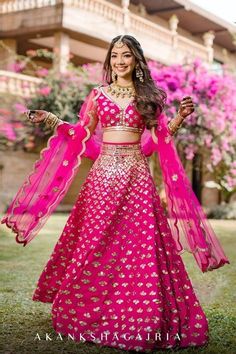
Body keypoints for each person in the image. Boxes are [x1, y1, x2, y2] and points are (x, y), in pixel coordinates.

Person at [1, 35, 229, 352]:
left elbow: (154, 142)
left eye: (127, 55)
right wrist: (53, 120)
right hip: (101, 180)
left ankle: (142, 315)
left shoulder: (149, 97)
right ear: (110, 60)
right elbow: (84, 136)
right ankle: (86, 310)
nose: (120, 61)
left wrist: (178, 118)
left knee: (141, 249)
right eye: (116, 55)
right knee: (94, 245)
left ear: (136, 59)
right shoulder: (97, 95)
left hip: (137, 178)